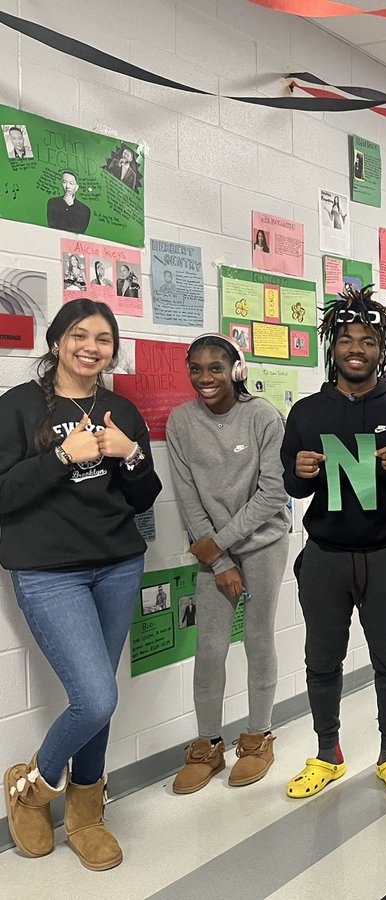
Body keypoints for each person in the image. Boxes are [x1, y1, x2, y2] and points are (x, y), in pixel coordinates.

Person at [1, 299, 161, 871]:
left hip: (118, 564)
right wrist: (61, 457)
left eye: (103, 339)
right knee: (96, 697)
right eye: (79, 335)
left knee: (99, 699)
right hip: (49, 572)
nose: (91, 347)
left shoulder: (122, 410)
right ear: (56, 342)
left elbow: (143, 497)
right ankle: (33, 789)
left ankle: (87, 810)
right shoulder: (18, 407)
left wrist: (131, 454)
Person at [281, 286, 386, 800]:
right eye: (347, 339)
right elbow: (294, 486)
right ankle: (328, 754)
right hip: (324, 557)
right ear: (332, 345)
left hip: (384, 555)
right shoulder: (306, 413)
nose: (356, 349)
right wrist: (300, 472)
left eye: (368, 341)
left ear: (381, 349)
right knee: (321, 661)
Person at [166, 334, 291, 795]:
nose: (205, 377)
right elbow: (187, 495)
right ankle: (208, 745)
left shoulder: (263, 417)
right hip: (213, 553)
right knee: (210, 648)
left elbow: (273, 493)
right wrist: (218, 560)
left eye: (215, 368)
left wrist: (217, 544)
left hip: (262, 544)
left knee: (258, 638)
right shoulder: (181, 422)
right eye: (196, 369)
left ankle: (258, 736)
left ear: (236, 370)